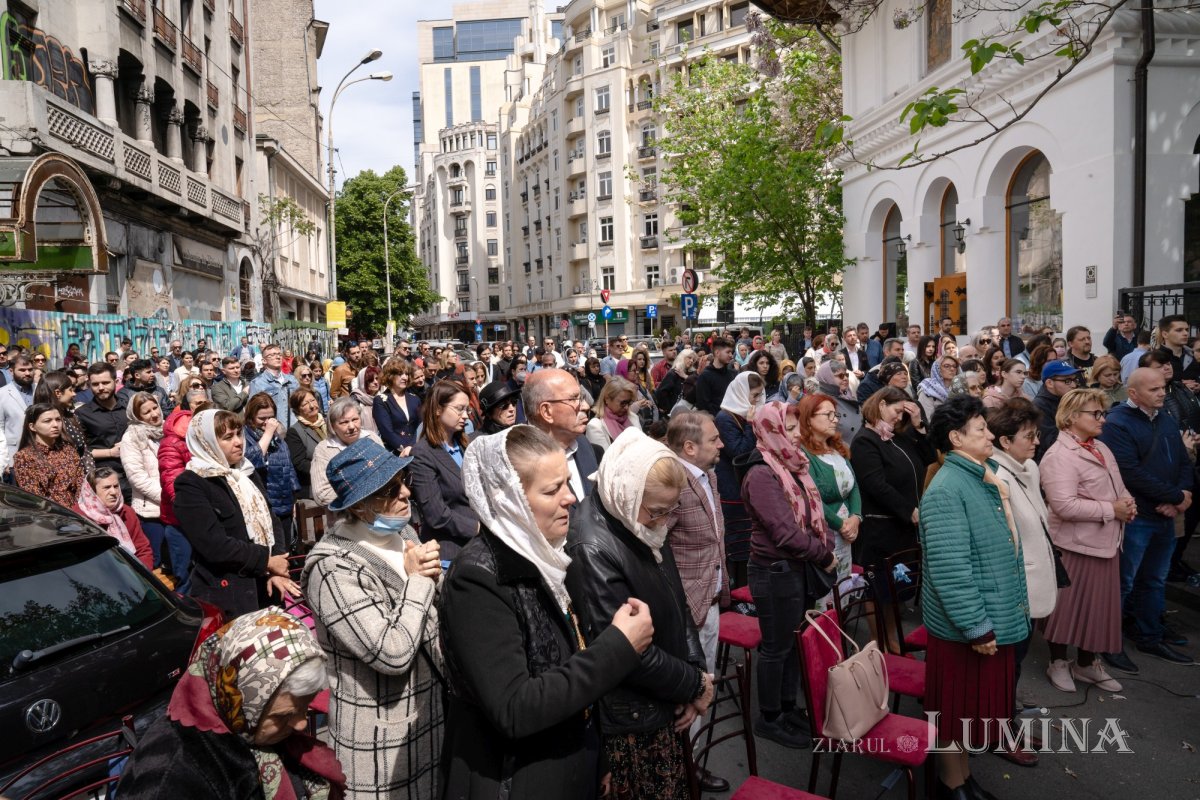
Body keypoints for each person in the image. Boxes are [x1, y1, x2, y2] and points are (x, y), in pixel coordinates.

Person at [440, 426, 652, 799]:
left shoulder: (548, 555)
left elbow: (574, 653)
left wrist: (596, 754)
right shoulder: (477, 579)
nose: (570, 498)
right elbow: (514, 707)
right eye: (552, 490)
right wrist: (619, 647)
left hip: (568, 765)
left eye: (567, 484)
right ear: (509, 500)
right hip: (515, 778)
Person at [566, 429, 712, 800]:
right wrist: (692, 684)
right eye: (658, 511)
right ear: (627, 492)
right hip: (633, 716)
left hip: (664, 696)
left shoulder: (636, 520)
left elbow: (676, 600)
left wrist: (694, 670)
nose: (663, 521)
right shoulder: (592, 546)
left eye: (670, 510)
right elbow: (624, 651)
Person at [302, 439, 444, 799]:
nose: (406, 493)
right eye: (390, 490)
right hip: (382, 738)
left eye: (403, 480)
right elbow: (390, 652)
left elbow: (430, 614)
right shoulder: (332, 569)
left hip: (432, 716)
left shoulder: (403, 532)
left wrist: (438, 582)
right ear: (361, 507)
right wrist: (417, 582)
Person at [919, 394, 1029, 800]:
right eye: (981, 429)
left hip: (989, 614)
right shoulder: (949, 488)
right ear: (955, 437)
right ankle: (951, 785)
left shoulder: (980, 475)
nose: (989, 434)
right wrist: (977, 626)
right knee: (955, 711)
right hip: (964, 627)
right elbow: (952, 571)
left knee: (969, 712)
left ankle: (961, 778)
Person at [116, 607, 343, 799]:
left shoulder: (248, 729)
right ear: (238, 701)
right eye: (284, 715)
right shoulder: (170, 776)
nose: (301, 724)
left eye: (306, 706)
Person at [739, 401, 835, 748]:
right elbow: (783, 532)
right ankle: (769, 717)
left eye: (796, 429)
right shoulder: (761, 473)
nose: (797, 436)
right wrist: (824, 555)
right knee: (777, 648)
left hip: (798, 568)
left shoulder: (792, 464)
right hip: (775, 571)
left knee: (794, 643)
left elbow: (812, 513)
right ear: (771, 431)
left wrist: (826, 541)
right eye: (789, 429)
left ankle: (787, 706)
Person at [1038, 389, 1136, 693]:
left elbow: (1119, 486)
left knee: (1096, 610)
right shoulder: (1059, 455)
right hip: (1073, 545)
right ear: (1070, 418)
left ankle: (1085, 664)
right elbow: (1063, 506)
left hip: (1105, 542)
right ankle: (1057, 662)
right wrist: (1112, 510)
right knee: (1065, 611)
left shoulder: (1102, 448)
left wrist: (1128, 504)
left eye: (1102, 413)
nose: (1102, 419)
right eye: (1095, 413)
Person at [1097, 368, 1195, 671]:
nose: (1162, 393)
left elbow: (1182, 460)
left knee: (1154, 580)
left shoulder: (1165, 418)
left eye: (1163, 387)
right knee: (1124, 582)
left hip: (1165, 515)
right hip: (1138, 516)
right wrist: (1175, 498)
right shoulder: (1117, 424)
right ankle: (1108, 642)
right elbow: (1130, 472)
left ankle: (1149, 635)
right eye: (1154, 389)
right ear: (1133, 393)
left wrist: (1183, 493)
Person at [174, 409, 296, 617]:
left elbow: (270, 517)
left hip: (267, 583)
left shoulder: (244, 470)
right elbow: (214, 545)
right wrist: (265, 562)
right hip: (231, 593)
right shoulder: (191, 484)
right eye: (228, 437)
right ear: (206, 443)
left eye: (238, 434)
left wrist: (276, 563)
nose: (239, 442)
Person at [662, 410, 729, 788]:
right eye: (714, 439)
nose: (721, 444)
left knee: (703, 689)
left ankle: (692, 762)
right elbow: (656, 548)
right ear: (689, 447)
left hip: (711, 598)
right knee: (689, 693)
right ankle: (684, 769)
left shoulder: (708, 474)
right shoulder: (674, 481)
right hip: (687, 608)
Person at [120, 391, 190, 588]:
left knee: (179, 562)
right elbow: (137, 477)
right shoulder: (132, 438)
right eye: (146, 412)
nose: (154, 414)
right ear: (136, 416)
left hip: (176, 505)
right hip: (152, 510)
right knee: (158, 564)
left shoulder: (167, 429)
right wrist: (168, 496)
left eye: (154, 408)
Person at [796, 393, 860, 590]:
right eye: (828, 415)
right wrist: (841, 524)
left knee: (844, 588)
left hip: (848, 531)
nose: (835, 420)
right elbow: (811, 497)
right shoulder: (803, 454)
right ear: (809, 418)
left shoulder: (836, 448)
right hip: (825, 533)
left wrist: (856, 517)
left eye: (836, 415)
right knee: (827, 593)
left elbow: (854, 486)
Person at [408, 380, 479, 558]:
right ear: (438, 409)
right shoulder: (423, 453)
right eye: (459, 409)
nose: (465, 416)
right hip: (451, 552)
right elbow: (436, 514)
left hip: (479, 546)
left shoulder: (465, 445)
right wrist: (477, 528)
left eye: (467, 410)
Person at [523, 368, 599, 500]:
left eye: (581, 397)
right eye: (574, 399)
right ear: (546, 412)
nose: (585, 406)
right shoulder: (522, 464)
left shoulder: (582, 443)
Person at [243, 392, 301, 549]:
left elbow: (289, 469)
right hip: (263, 508)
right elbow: (252, 462)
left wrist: (294, 500)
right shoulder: (245, 437)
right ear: (251, 417)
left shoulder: (279, 440)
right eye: (262, 418)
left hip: (284, 504)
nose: (267, 423)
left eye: (271, 417)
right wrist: (268, 434)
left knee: (286, 551)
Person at [73, 466, 154, 570]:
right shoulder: (79, 518)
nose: (114, 492)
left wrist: (141, 576)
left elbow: (143, 549)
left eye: (116, 486)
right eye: (107, 487)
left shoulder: (126, 512)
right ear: (92, 491)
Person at [311, 396, 385, 508]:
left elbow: (387, 471)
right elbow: (322, 495)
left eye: (355, 419)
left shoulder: (372, 438)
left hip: (381, 510)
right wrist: (366, 487)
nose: (351, 426)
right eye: (344, 422)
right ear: (333, 426)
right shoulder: (324, 450)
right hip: (346, 519)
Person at [13, 402, 82, 508]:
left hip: (77, 512)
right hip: (48, 516)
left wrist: (78, 510)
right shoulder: (24, 457)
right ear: (32, 427)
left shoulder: (69, 450)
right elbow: (34, 497)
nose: (55, 425)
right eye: (47, 421)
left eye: (58, 420)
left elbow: (81, 485)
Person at [76, 363, 130, 499]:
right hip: (104, 481)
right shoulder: (82, 414)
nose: (101, 388)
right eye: (95, 384)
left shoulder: (128, 407)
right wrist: (111, 452)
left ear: (116, 381)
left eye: (105, 383)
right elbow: (79, 452)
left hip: (134, 475)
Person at [1033, 360, 1084, 461]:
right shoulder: (1039, 406)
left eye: (1075, 380)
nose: (1074, 385)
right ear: (1049, 383)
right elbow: (1050, 442)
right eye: (1067, 381)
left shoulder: (1069, 399)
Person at [373, 359, 421, 456]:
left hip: (416, 450)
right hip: (395, 453)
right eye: (400, 374)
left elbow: (420, 426)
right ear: (390, 376)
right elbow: (387, 432)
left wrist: (414, 447)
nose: (405, 377)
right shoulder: (381, 400)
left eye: (406, 374)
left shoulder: (414, 398)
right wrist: (404, 449)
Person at [284, 388, 326, 500]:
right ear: (298, 410)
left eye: (312, 400)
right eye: (305, 404)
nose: (312, 406)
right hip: (316, 484)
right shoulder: (295, 432)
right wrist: (327, 469)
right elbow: (300, 463)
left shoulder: (329, 423)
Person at [586, 376, 644, 452]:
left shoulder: (633, 418)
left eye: (629, 402)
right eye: (623, 403)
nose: (626, 407)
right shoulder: (595, 427)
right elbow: (606, 461)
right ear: (607, 399)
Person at [250, 344, 301, 429]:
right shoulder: (257, 383)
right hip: (274, 432)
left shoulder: (292, 380)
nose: (277, 357)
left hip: (295, 430)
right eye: (272, 355)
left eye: (279, 354)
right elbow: (253, 412)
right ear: (264, 361)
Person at [815, 359, 863, 444]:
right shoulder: (820, 400)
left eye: (846, 375)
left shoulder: (847, 393)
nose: (845, 378)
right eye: (840, 376)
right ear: (827, 377)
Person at [695, 336, 737, 416]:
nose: (731, 355)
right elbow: (703, 405)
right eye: (728, 352)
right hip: (714, 421)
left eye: (731, 352)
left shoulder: (733, 374)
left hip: (732, 419)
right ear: (717, 353)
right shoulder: (705, 376)